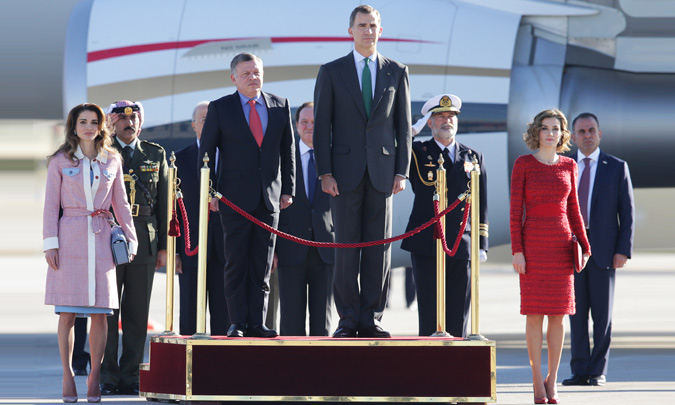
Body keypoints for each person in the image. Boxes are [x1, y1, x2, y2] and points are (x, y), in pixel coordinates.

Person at [313, 4, 412, 339]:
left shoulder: (396, 71)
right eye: (362, 25)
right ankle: (348, 318)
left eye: (373, 25)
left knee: (378, 249)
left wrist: (402, 170)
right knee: (346, 250)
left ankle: (372, 316)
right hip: (343, 174)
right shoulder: (332, 70)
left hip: (383, 174)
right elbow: (322, 127)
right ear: (350, 31)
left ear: (380, 30)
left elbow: (404, 127)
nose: (368, 30)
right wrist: (324, 172)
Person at [43, 103, 138, 403]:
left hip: (101, 237)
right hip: (69, 236)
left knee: (102, 314)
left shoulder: (112, 159)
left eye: (93, 122)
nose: (88, 127)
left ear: (100, 126)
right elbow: (49, 206)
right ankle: (68, 375)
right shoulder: (60, 160)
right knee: (67, 312)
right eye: (82, 122)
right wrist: (50, 244)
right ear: (73, 126)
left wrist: (131, 238)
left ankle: (95, 376)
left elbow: (121, 204)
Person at [199, 52, 295, 338]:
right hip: (233, 199)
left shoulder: (280, 105)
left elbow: (287, 150)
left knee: (262, 265)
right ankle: (237, 322)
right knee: (236, 263)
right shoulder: (221, 108)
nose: (253, 78)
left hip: (269, 199)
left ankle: (257, 321)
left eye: (257, 72)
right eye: (246, 74)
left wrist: (288, 189)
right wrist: (211, 192)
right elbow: (207, 152)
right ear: (234, 78)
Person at [510, 109, 591, 404]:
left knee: (558, 317)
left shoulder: (569, 165)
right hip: (532, 244)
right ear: (537, 132)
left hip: (560, 244)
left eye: (556, 128)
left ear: (562, 133)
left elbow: (574, 209)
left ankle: (552, 380)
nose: (550, 133)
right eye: (545, 128)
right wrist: (517, 250)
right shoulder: (523, 164)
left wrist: (584, 243)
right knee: (534, 315)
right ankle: (536, 381)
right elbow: (515, 210)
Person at [401, 94, 488, 338]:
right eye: (440, 116)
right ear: (430, 122)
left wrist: (481, 243)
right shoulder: (417, 151)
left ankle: (456, 364)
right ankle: (429, 365)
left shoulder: (472, 157)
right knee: (429, 309)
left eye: (451, 117)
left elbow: (481, 203)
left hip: (462, 242)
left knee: (459, 309)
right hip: (428, 239)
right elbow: (391, 149)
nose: (447, 121)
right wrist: (411, 131)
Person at [100, 100, 168, 396]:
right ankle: (108, 375)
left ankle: (131, 375)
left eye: (135, 118)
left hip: (144, 239)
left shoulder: (155, 154)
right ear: (112, 123)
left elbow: (165, 205)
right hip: (107, 238)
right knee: (107, 311)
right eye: (123, 119)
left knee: (137, 312)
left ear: (141, 122)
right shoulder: (101, 152)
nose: (130, 123)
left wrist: (165, 247)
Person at [562, 113, 635, 387]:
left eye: (591, 130)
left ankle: (598, 371)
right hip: (572, 250)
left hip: (604, 249)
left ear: (600, 134)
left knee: (602, 316)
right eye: (581, 131)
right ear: (573, 136)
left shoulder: (616, 167)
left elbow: (627, 212)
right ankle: (580, 370)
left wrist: (623, 250)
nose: (587, 135)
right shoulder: (566, 166)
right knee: (576, 313)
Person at [276, 102, 335, 336]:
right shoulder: (282, 159)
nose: (309, 127)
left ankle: (323, 370)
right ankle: (292, 370)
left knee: (324, 321)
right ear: (296, 126)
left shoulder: (336, 159)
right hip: (290, 249)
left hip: (327, 248)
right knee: (291, 321)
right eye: (304, 122)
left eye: (314, 122)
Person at [174, 101, 229, 335]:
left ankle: (221, 363)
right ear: (193, 125)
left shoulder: (232, 157)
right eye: (204, 119)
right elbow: (172, 210)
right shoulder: (179, 160)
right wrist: (175, 249)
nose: (208, 124)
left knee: (224, 313)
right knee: (189, 313)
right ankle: (189, 362)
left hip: (225, 248)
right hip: (190, 248)